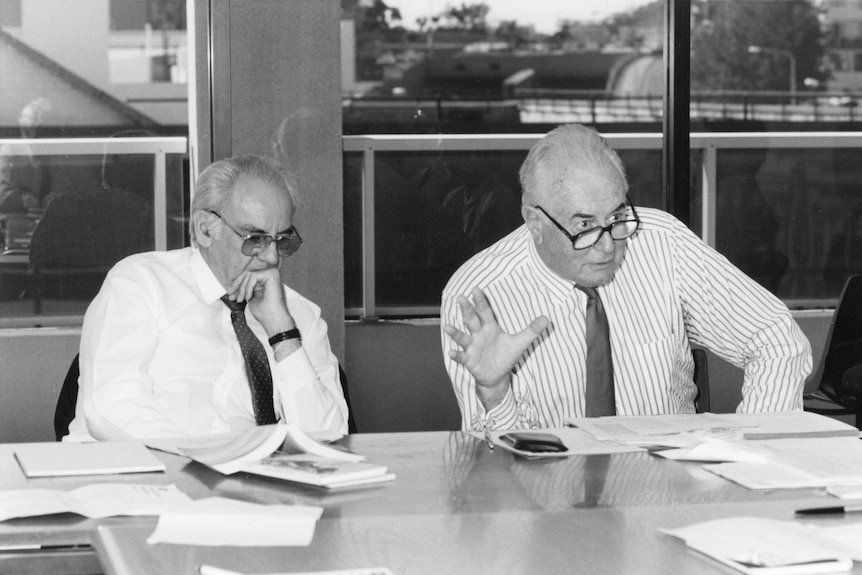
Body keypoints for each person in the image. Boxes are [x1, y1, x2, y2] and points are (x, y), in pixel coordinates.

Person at [441, 124, 811, 432]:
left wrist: (751, 456)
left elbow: (776, 340)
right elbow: (499, 470)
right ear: (535, 222)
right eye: (584, 226)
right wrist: (495, 393)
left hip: (669, 491)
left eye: (617, 217)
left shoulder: (662, 242)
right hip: (548, 500)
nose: (607, 248)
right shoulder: (480, 297)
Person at [66, 155, 348, 441]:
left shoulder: (299, 315)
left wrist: (282, 334)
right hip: (147, 472)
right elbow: (112, 405)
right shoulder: (140, 283)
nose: (272, 257)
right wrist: (206, 461)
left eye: (282, 240)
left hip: (256, 479)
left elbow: (330, 438)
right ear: (205, 229)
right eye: (255, 239)